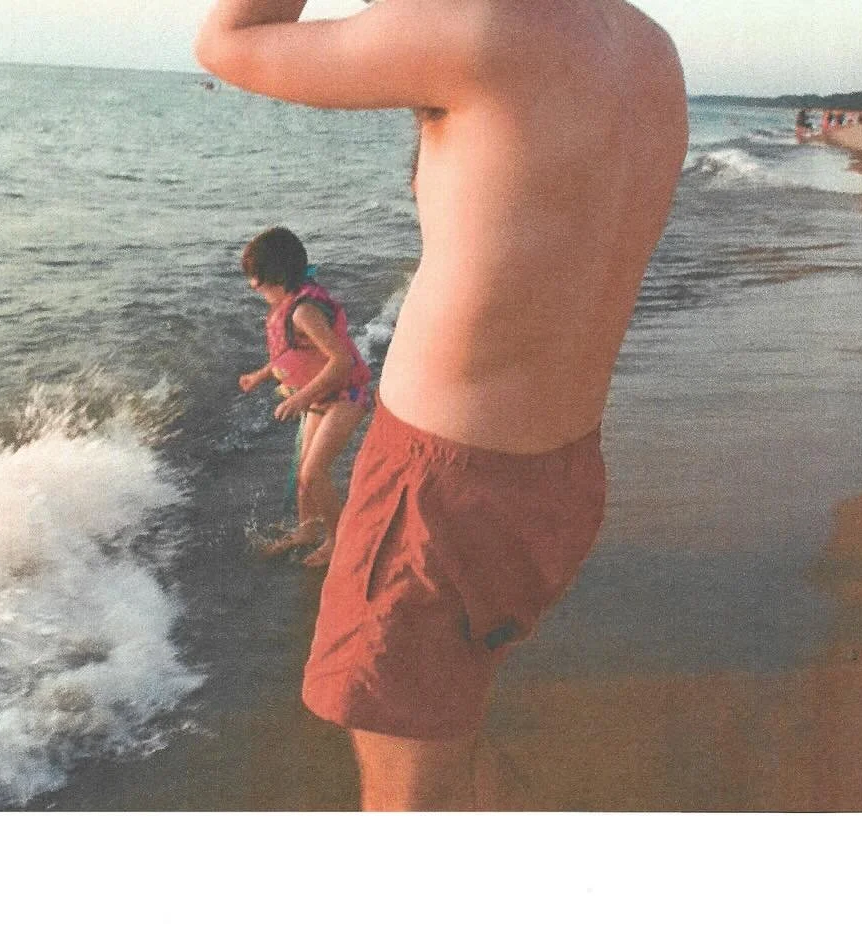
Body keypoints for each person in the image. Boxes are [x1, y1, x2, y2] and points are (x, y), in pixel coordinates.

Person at [194, 0, 689, 810]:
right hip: (558, 477)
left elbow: (227, 41)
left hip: (441, 490)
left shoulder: (480, 30)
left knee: (407, 798)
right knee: (444, 748)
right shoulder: (648, 51)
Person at [238, 227, 373, 567]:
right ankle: (308, 529)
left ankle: (338, 541)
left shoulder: (303, 312)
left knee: (314, 473)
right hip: (323, 396)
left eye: (257, 278)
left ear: (277, 275)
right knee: (303, 474)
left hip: (346, 395)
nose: (252, 286)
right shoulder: (290, 306)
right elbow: (293, 353)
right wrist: (260, 375)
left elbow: (340, 361)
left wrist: (301, 399)